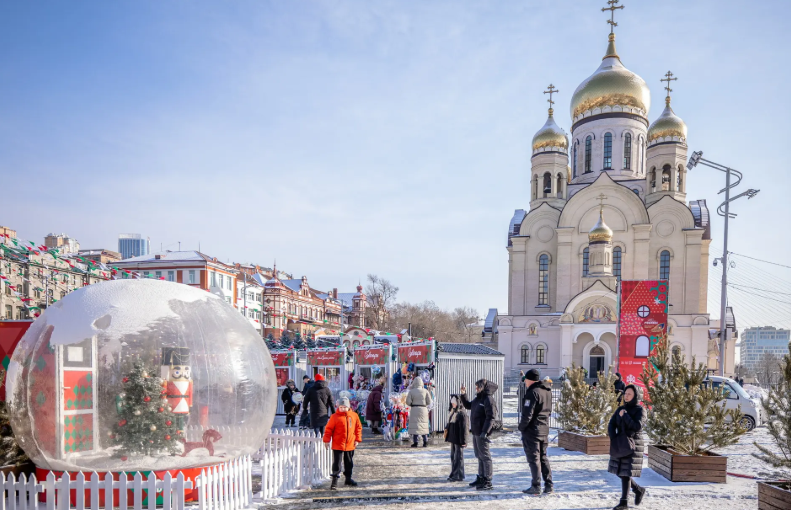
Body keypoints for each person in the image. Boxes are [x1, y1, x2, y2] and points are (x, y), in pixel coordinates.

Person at [607, 384, 647, 509]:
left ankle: (624, 502)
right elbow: (611, 424)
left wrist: (626, 416)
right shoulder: (620, 409)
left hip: (633, 444)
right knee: (619, 471)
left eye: (629, 394)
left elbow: (637, 426)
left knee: (625, 473)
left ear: (636, 395)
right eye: (625, 393)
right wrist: (614, 437)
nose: (626, 396)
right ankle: (638, 489)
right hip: (620, 443)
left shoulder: (640, 410)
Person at [459, 379, 499, 491]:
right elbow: (468, 405)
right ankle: (481, 477)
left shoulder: (488, 399)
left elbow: (491, 417)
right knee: (479, 455)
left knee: (485, 457)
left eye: (477, 387)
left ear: (482, 387)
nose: (476, 389)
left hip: (482, 433)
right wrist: (463, 394)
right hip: (476, 432)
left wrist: (485, 431)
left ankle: (488, 480)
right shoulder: (478, 398)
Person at [519, 369, 553, 495]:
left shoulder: (532, 392)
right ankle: (549, 485)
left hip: (532, 430)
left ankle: (536, 485)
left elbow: (527, 414)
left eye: (525, 380)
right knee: (543, 457)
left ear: (529, 380)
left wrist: (521, 427)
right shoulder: (547, 391)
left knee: (534, 459)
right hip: (544, 429)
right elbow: (548, 411)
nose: (525, 382)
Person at [323, 396, 362, 490]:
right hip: (338, 444)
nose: (343, 409)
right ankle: (334, 480)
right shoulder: (334, 417)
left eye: (344, 407)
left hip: (350, 444)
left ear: (348, 407)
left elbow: (358, 428)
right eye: (341, 407)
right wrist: (326, 440)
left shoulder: (354, 416)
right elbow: (328, 429)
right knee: (337, 463)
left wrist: (357, 439)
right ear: (338, 407)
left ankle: (348, 478)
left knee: (349, 462)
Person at [444, 394, 471, 482]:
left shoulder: (461, 413)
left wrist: (464, 441)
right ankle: (455, 474)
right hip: (454, 438)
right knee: (454, 457)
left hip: (458, 440)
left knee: (458, 458)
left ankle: (457, 475)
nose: (453, 405)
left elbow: (464, 429)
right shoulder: (453, 412)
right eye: (452, 403)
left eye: (454, 403)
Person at [406, 377, 432, 447]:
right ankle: (425, 441)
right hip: (423, 409)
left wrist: (412, 404)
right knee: (423, 426)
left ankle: (415, 442)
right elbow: (429, 401)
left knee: (415, 426)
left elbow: (408, 402)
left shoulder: (411, 391)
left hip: (414, 409)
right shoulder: (425, 391)